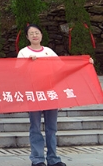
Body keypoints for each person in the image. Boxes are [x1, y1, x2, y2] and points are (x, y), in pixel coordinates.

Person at [17, 24, 67, 166]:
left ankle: (53, 158)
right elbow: (18, 72)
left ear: (41, 35)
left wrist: (86, 62)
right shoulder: (23, 53)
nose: (35, 35)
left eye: (37, 32)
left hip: (50, 93)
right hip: (33, 94)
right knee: (35, 127)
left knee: (52, 128)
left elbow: (61, 68)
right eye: (31, 33)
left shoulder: (49, 51)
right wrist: (28, 63)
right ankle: (37, 159)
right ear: (27, 37)